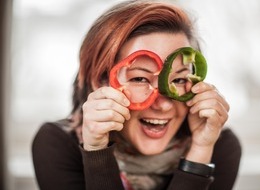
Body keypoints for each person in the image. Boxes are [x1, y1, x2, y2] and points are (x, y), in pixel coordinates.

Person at [32, 0, 242, 190]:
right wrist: (96, 151)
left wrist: (201, 151)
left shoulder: (219, 146)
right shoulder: (56, 144)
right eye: (139, 79)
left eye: (178, 79)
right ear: (100, 82)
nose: (164, 105)